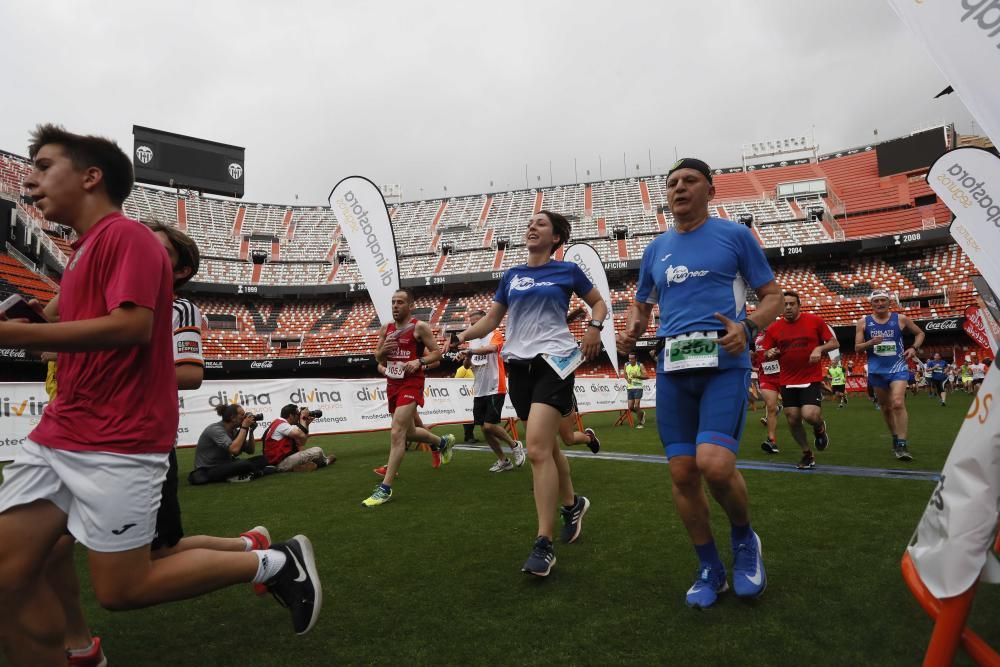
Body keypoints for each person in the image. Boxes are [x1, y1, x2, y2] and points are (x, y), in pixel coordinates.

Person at [0, 127, 321, 666]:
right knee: (11, 574)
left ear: (90, 176)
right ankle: (78, 650)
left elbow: (129, 328)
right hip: (60, 431)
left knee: (125, 586)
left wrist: (18, 335)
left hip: (117, 441)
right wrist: (31, 328)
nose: (30, 179)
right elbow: (64, 336)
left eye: (44, 165)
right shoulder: (82, 252)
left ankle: (273, 562)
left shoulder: (126, 238)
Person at [617, 158, 783, 609]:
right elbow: (642, 305)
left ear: (711, 190)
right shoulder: (656, 249)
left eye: (689, 181)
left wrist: (747, 328)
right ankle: (710, 567)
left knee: (714, 465)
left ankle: (745, 542)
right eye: (672, 183)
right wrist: (633, 327)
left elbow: (773, 297)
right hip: (673, 366)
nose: (679, 188)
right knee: (682, 473)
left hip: (724, 361)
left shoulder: (735, 236)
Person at [456, 209, 607, 576]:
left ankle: (544, 543)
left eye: (541, 224)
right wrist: (460, 337)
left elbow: (599, 303)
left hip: (555, 362)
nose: (532, 227)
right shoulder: (512, 275)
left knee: (538, 449)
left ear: (556, 237)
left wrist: (594, 328)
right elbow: (492, 320)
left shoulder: (567, 271)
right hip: (519, 367)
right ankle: (573, 504)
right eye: (530, 223)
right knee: (551, 446)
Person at [363, 288, 456, 507]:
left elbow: (437, 353)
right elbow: (377, 358)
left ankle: (384, 489)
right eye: (393, 302)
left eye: (400, 302)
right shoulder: (386, 328)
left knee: (397, 432)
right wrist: (382, 352)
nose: (395, 306)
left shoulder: (419, 327)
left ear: (410, 305)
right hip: (392, 383)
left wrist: (419, 362)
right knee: (410, 432)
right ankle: (442, 442)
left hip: (411, 382)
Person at [761, 291, 838, 470]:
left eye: (792, 304)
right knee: (793, 419)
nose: (788, 307)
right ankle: (807, 454)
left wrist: (819, 348)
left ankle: (819, 428)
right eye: (785, 304)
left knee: (809, 415)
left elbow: (834, 343)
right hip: (787, 380)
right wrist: (769, 353)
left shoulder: (815, 321)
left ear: (799, 305)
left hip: (810, 377)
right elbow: (765, 353)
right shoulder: (774, 329)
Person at [855, 289, 925, 462]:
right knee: (886, 408)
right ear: (871, 304)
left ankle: (902, 444)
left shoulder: (900, 319)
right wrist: (870, 342)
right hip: (877, 371)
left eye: (882, 301)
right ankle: (895, 437)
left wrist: (913, 348)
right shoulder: (863, 322)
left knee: (898, 403)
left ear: (889, 303)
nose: (879, 304)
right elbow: (857, 348)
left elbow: (920, 333)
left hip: (898, 367)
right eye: (876, 301)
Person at [464, 310, 526, 472]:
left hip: (494, 386)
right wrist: (467, 357)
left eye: (477, 322)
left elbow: (491, 349)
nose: (474, 326)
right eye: (472, 323)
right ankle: (503, 460)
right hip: (479, 389)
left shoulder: (495, 334)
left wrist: (471, 352)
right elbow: (466, 366)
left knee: (489, 425)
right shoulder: (471, 341)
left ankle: (514, 445)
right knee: (484, 428)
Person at [189, 405, 273, 484]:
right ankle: (255, 472)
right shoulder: (216, 430)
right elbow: (235, 450)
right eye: (242, 415)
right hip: (209, 469)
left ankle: (247, 473)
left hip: (227, 464)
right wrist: (244, 427)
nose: (245, 418)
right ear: (233, 418)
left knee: (263, 459)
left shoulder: (234, 431)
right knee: (244, 464)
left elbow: (250, 450)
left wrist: (251, 431)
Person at [263, 404, 336, 473]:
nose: (298, 417)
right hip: (279, 462)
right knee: (317, 450)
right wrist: (303, 418)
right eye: (298, 414)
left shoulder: (282, 424)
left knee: (308, 452)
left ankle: (299, 467)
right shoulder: (281, 424)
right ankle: (324, 462)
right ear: (291, 415)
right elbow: (300, 434)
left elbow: (302, 442)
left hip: (282, 459)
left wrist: (306, 424)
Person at [754, 331, 782, 454]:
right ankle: (771, 440)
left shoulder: (780, 331)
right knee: (770, 406)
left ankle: (818, 426)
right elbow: (757, 355)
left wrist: (778, 352)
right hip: (766, 376)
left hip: (786, 375)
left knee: (794, 413)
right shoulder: (757, 336)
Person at [454, 355, 478, 443]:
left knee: (473, 417)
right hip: (464, 398)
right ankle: (468, 436)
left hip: (473, 396)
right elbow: (455, 382)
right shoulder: (462, 369)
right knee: (468, 417)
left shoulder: (474, 369)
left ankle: (470, 435)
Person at [622, 352, 648, 428]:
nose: (630, 360)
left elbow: (646, 376)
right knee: (630, 407)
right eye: (629, 358)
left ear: (636, 359)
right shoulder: (626, 365)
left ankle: (640, 423)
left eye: (632, 358)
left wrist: (637, 376)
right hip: (630, 388)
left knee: (636, 406)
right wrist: (627, 380)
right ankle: (642, 413)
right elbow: (625, 374)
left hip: (638, 387)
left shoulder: (640, 365)